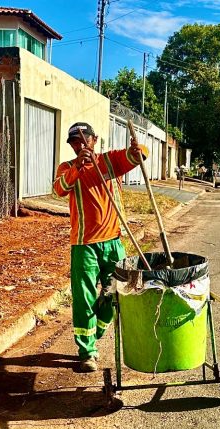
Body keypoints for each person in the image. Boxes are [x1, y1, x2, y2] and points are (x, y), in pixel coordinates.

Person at [53, 122, 149, 372]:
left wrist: (139, 150)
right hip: (84, 245)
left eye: (84, 140)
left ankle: (93, 334)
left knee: (118, 292)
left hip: (114, 242)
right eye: (75, 141)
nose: (80, 144)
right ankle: (87, 353)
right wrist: (76, 166)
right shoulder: (67, 168)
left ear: (94, 140)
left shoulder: (109, 162)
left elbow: (139, 154)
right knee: (84, 298)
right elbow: (59, 189)